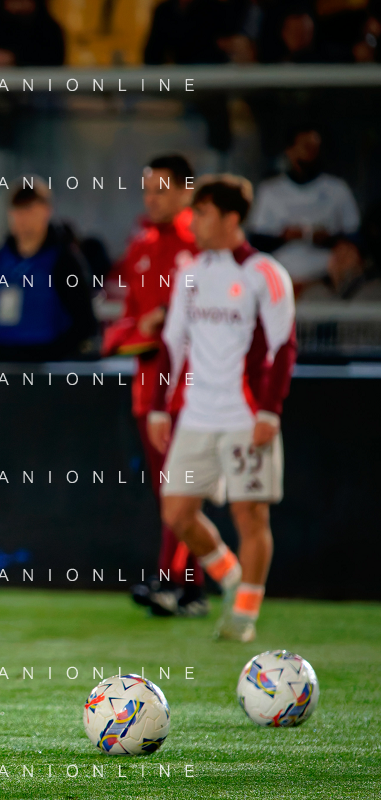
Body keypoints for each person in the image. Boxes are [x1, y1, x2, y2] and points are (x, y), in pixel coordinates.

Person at [148, 175, 297, 643]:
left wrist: (269, 412)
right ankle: (232, 578)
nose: (194, 221)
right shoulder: (190, 273)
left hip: (244, 417)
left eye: (203, 213)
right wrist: (158, 408)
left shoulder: (264, 273)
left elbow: (284, 346)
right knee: (177, 513)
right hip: (196, 415)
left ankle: (243, 618)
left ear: (232, 218)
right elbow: (171, 343)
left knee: (250, 516)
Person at [103, 155, 207, 618]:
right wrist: (133, 331)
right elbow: (126, 316)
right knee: (170, 489)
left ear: (187, 191)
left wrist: (157, 323)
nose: (151, 199)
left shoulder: (200, 246)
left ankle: (170, 580)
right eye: (147, 190)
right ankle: (191, 588)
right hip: (149, 385)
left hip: (191, 386)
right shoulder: (141, 245)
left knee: (180, 490)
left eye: (161, 190)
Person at [0, 180, 97, 361]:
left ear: (46, 211)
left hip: (42, 365)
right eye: (18, 209)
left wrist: (53, 355)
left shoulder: (64, 262)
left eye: (29, 209)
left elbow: (84, 322)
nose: (23, 217)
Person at [247, 124, 361, 287]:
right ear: (290, 151)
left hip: (328, 278)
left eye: (316, 147)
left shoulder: (337, 188)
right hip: (279, 278)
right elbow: (256, 242)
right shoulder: (270, 190)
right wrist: (285, 236)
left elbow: (356, 239)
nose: (312, 153)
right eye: (306, 147)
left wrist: (327, 239)